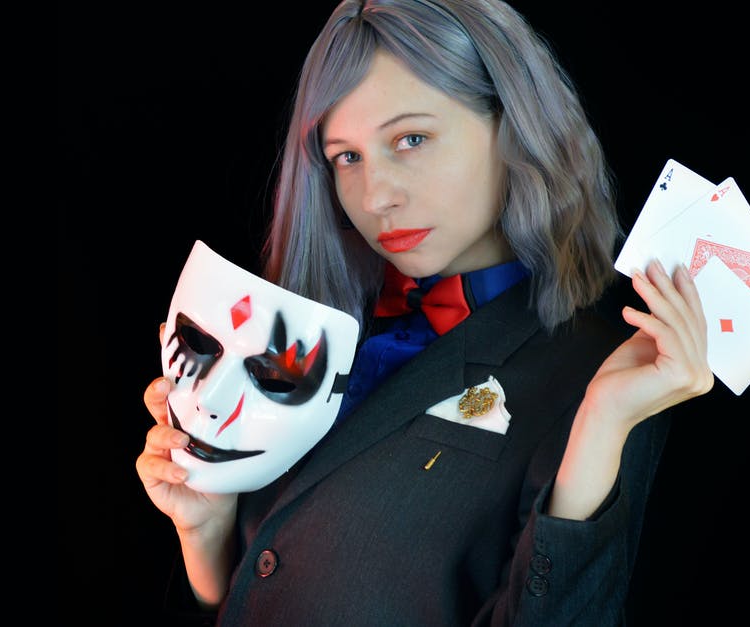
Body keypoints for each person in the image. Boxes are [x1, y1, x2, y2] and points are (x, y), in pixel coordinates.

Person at [135, 0, 713, 624]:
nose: (376, 196)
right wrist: (206, 534)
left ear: (512, 125)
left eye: (411, 139)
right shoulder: (301, 327)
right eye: (346, 158)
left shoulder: (601, 377)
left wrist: (601, 423)